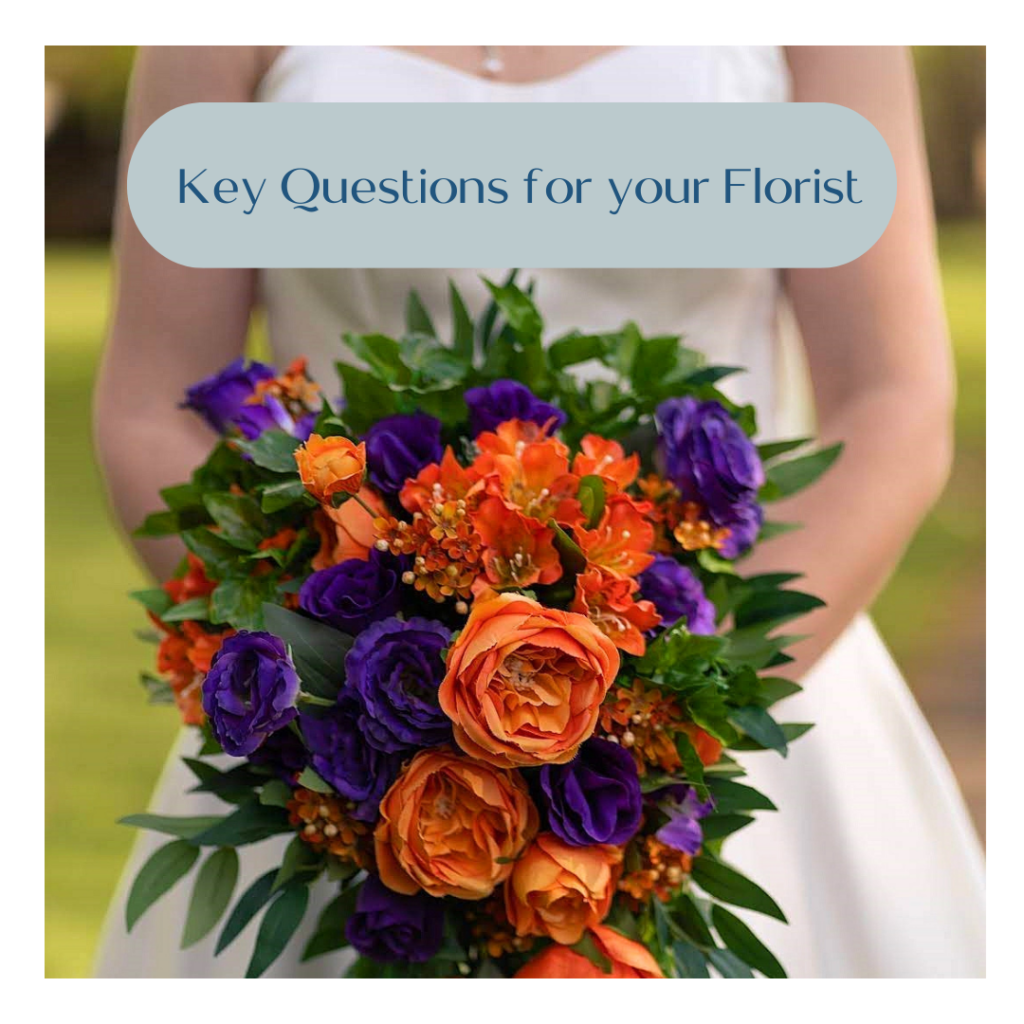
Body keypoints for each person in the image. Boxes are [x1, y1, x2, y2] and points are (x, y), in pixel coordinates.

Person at [93, 45, 985, 977]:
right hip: (346, 750)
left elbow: (894, 402)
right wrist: (334, 697)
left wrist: (663, 726)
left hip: (742, 700)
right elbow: (152, 405)